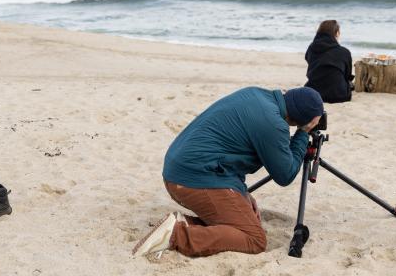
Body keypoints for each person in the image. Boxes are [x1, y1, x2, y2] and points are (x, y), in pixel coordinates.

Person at [131, 86, 324, 259]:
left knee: (248, 217)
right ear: (304, 120)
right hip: (193, 179)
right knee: (254, 239)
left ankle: (185, 223)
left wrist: (241, 192)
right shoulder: (272, 123)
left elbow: (230, 153)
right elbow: (285, 175)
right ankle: (176, 235)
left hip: (181, 170)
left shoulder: (255, 94)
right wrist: (302, 133)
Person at [304, 19, 353, 103]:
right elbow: (347, 75)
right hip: (339, 95)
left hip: (314, 93)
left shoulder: (311, 48)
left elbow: (310, 63)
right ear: (337, 33)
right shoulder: (344, 52)